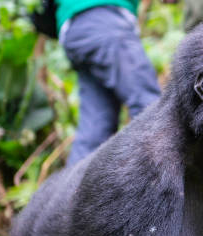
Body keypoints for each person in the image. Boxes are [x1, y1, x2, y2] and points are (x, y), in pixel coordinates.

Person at [55, 0, 161, 165]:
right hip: (105, 21)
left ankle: (73, 191)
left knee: (95, 131)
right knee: (150, 107)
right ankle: (176, 186)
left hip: (73, 29)